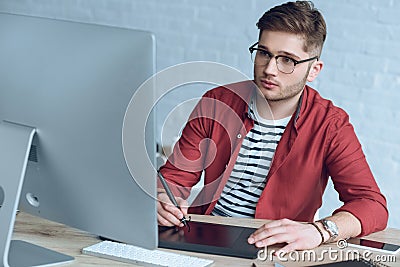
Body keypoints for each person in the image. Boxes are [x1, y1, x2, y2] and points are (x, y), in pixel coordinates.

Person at [156, 0, 388, 254]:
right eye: (264, 53)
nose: (269, 69)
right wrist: (163, 199)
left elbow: (371, 204)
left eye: (287, 60)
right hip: (204, 237)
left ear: (313, 70)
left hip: (276, 249)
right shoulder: (216, 102)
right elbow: (174, 179)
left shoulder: (331, 124)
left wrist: (319, 231)